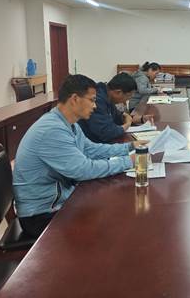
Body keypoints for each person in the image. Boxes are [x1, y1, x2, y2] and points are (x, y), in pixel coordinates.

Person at [13, 74, 147, 238]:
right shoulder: (52, 130)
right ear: (75, 99)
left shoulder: (69, 124)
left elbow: (91, 150)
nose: (95, 106)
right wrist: (128, 162)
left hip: (60, 201)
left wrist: (129, 147)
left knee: (114, 209)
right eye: (92, 100)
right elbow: (83, 170)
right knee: (112, 224)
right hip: (41, 215)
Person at [78, 73, 151, 143]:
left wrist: (140, 119)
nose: (127, 100)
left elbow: (117, 118)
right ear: (118, 92)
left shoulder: (107, 95)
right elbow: (107, 133)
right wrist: (127, 125)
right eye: (128, 96)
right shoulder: (98, 101)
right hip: (94, 144)